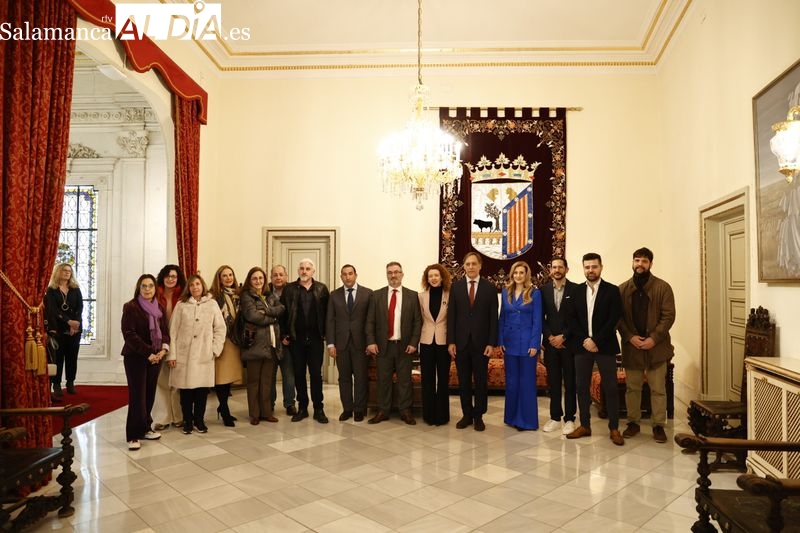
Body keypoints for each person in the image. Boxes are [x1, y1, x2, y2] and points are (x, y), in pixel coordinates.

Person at [565, 252, 625, 446]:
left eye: (594, 267)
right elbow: (571, 319)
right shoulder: (575, 291)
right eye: (587, 267)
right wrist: (585, 339)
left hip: (605, 346)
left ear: (601, 267)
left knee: (611, 388)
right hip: (581, 347)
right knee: (581, 387)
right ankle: (585, 426)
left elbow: (614, 318)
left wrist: (596, 340)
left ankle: (614, 428)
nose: (590, 270)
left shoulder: (612, 290)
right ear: (583, 268)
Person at [617, 247, 676, 443]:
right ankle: (633, 422)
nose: (639, 264)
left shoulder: (663, 287)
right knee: (632, 388)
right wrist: (629, 336)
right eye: (636, 260)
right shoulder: (622, 289)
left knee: (658, 388)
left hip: (657, 348)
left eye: (643, 261)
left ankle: (658, 425)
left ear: (650, 264)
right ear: (632, 263)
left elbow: (668, 316)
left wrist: (654, 338)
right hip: (632, 346)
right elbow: (618, 317)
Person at [166, 274, 226, 435]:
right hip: (184, 354)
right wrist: (172, 354)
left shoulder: (212, 304)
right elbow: (173, 331)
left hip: (203, 354)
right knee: (185, 391)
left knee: (201, 391)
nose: (195, 287)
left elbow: (220, 328)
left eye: (197, 284)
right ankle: (187, 420)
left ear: (203, 285)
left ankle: (199, 420)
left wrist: (214, 349)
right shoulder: (181, 305)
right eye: (191, 285)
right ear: (188, 288)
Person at [447, 252, 498, 432]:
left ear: (480, 266)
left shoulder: (490, 288)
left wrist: (491, 343)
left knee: (481, 381)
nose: (470, 267)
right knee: (464, 381)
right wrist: (451, 341)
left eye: (473, 264)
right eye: (467, 264)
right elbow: (451, 316)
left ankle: (479, 416)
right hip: (460, 343)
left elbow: (494, 319)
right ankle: (466, 414)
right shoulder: (456, 287)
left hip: (482, 344)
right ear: (464, 266)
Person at [366, 261, 422, 425]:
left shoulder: (412, 295)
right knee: (383, 380)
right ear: (387, 275)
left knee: (405, 380)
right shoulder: (376, 295)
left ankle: (405, 411)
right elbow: (370, 321)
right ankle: (383, 411)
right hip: (383, 346)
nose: (393, 275)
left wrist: (413, 342)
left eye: (396, 272)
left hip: (405, 346)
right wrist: (370, 342)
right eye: (390, 272)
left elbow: (417, 322)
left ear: (402, 274)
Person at [121, 274, 169, 450]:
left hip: (156, 358)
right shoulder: (131, 307)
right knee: (137, 397)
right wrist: (148, 352)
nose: (147, 289)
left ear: (155, 288)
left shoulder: (160, 308)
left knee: (149, 395)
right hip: (135, 358)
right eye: (144, 286)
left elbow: (164, 332)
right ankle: (133, 435)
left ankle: (146, 428)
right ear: (138, 288)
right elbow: (129, 335)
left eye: (150, 286)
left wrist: (163, 350)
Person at [280, 259, 330, 423]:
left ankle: (319, 409)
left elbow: (327, 315)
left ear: (313, 271)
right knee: (299, 374)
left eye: (308, 268)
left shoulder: (322, 289)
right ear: (298, 270)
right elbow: (283, 314)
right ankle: (302, 408)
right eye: (301, 268)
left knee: (316, 374)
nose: (304, 271)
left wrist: (326, 336)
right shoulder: (289, 290)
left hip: (316, 339)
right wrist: (284, 334)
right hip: (296, 339)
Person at [498, 261, 542, 431]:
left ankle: (526, 421)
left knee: (526, 382)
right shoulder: (505, 292)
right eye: (515, 272)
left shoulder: (534, 293)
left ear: (526, 275)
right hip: (509, 343)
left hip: (527, 344)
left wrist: (534, 344)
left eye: (521, 273)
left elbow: (537, 320)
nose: (518, 276)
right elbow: (502, 318)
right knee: (512, 382)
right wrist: (500, 340)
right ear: (512, 274)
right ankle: (511, 418)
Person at [326, 264, 373, 422]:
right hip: (341, 344)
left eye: (350, 273)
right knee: (344, 378)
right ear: (341, 277)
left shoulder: (368, 294)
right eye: (344, 274)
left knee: (360, 378)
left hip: (361, 344)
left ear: (356, 274)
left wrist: (370, 342)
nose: (348, 277)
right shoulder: (334, 295)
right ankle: (347, 409)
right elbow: (330, 321)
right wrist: (331, 344)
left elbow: (370, 321)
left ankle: (359, 409)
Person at [239, 267, 285, 425]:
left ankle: (266, 412)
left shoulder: (268, 295)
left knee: (266, 381)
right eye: (254, 278)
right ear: (249, 281)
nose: (258, 281)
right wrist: (272, 318)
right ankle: (254, 414)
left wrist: (266, 311)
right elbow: (252, 316)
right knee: (254, 382)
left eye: (261, 278)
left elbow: (281, 308)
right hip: (254, 345)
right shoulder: (246, 296)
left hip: (271, 345)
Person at [540, 257, 579, 435]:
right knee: (553, 382)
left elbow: (578, 319)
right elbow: (540, 318)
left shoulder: (577, 290)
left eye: (560, 267)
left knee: (570, 383)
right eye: (554, 267)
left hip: (569, 345)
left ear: (566, 269)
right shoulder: (543, 290)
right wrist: (550, 337)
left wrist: (563, 337)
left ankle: (569, 419)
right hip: (550, 345)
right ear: (550, 270)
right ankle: (555, 417)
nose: (557, 270)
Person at [209, 265, 245, 427]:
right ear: (219, 278)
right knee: (221, 378)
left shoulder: (238, 295)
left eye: (231, 275)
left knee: (229, 377)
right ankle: (224, 409)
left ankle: (222, 407)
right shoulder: (213, 296)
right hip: (221, 341)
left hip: (235, 341)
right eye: (225, 276)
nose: (229, 278)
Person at [418, 263, 452, 426]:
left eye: (436, 275)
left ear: (442, 277)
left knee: (443, 379)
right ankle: (429, 415)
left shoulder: (450, 295)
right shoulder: (421, 296)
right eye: (430, 276)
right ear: (427, 278)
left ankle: (442, 415)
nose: (433, 278)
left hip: (444, 341)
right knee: (428, 379)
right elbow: (419, 320)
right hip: (426, 342)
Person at [152, 264, 186, 430]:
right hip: (160, 341)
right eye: (168, 276)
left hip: (180, 342)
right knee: (161, 380)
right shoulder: (155, 295)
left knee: (177, 381)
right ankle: (162, 417)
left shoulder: (184, 295)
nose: (171, 279)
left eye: (174, 276)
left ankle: (178, 416)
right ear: (162, 277)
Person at [44, 262, 83, 399]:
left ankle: (71, 382)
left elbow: (80, 307)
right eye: (64, 270)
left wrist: (75, 324)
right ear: (58, 272)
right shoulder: (51, 290)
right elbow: (53, 310)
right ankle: (56, 384)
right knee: (58, 357)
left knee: (72, 357)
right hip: (59, 329)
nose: (67, 272)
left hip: (75, 329)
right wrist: (68, 322)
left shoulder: (75, 289)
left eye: (69, 271)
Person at [269, 265, 296, 416]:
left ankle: (290, 404)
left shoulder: (293, 291)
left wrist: (287, 336)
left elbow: (295, 316)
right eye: (275, 275)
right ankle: (269, 403)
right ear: (271, 278)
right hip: (270, 340)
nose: (278, 277)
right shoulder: (265, 293)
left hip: (287, 341)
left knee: (288, 374)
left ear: (286, 276)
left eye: (281, 274)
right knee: (270, 374)